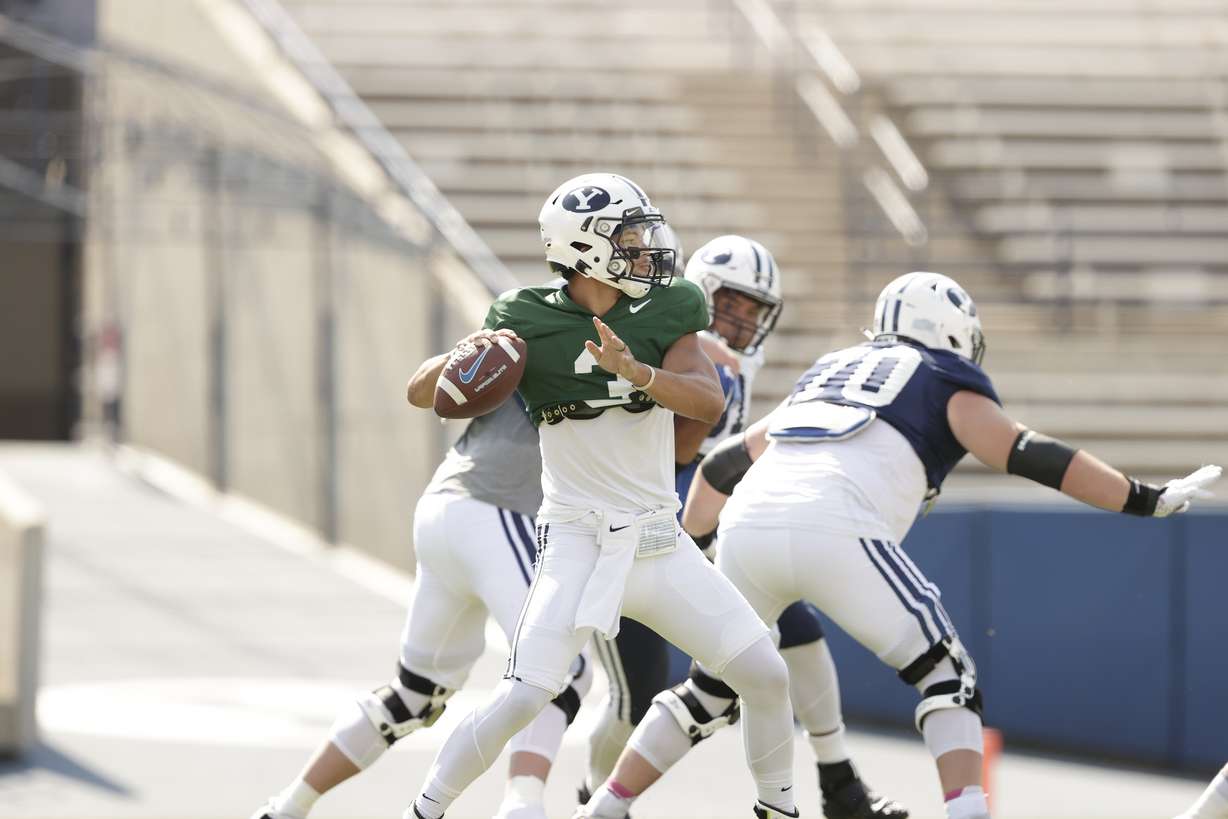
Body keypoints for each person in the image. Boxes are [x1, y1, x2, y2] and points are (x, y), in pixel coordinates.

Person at [595, 270, 1222, 819]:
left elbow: (724, 465)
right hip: (837, 524)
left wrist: (694, 549)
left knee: (709, 691)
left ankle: (606, 806)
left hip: (749, 523)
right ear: (952, 331)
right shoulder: (941, 377)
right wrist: (1143, 496)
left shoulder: (830, 369)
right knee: (949, 679)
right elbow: (1030, 454)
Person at [405, 172, 800, 819]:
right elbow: (423, 392)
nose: (648, 248)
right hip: (578, 545)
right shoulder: (524, 317)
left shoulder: (669, 309)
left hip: (658, 543)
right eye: (631, 237)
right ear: (587, 247)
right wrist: (463, 357)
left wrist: (638, 372)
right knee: (524, 695)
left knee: (765, 673)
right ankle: (423, 809)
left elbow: (705, 396)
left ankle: (780, 810)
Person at [582, 236, 907, 819]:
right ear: (701, 295)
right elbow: (675, 455)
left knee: (788, 638)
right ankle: (588, 797)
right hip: (639, 529)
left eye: (753, 310)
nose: (741, 320)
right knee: (637, 694)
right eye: (731, 303)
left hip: (686, 527)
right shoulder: (681, 347)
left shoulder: (724, 368)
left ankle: (837, 782)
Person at [249, 387, 592, 819]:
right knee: (561, 672)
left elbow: (425, 385)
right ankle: (521, 807)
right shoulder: (584, 325)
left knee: (414, 695)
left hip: (443, 505)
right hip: (496, 505)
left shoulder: (524, 321)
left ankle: (286, 808)